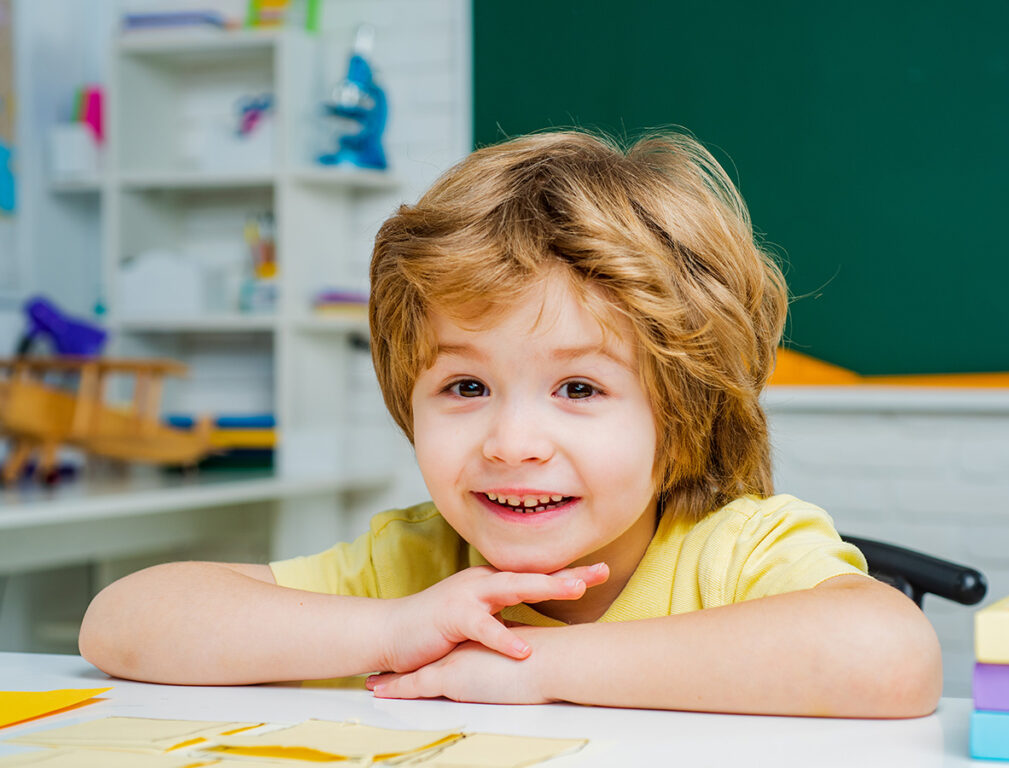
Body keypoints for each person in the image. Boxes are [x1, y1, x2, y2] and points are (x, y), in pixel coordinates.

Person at [79, 130, 942, 717]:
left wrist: (540, 671)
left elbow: (894, 657)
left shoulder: (735, 551)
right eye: (463, 388)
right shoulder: (414, 569)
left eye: (578, 388)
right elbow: (120, 622)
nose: (510, 442)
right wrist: (387, 628)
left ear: (682, 414)